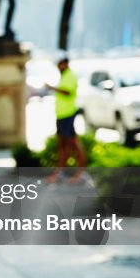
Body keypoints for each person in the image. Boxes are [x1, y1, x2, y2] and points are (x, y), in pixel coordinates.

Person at [46, 55, 87, 183]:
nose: (59, 67)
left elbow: (67, 92)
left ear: (65, 64)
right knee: (62, 143)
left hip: (68, 114)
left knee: (73, 143)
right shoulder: (65, 75)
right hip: (62, 114)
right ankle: (62, 171)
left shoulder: (70, 75)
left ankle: (81, 172)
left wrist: (52, 88)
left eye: (60, 64)